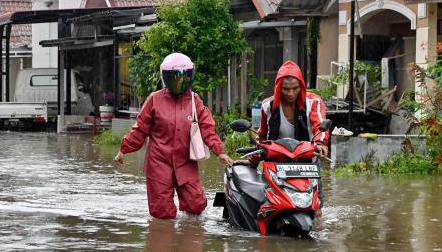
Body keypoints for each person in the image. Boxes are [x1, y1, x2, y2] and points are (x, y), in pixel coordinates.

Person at [114, 52, 233, 219]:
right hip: (158, 163)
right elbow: (140, 129)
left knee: (196, 205)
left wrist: (219, 151)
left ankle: (189, 237)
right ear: (166, 78)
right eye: (174, 78)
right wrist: (123, 150)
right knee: (162, 213)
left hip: (186, 161)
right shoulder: (154, 100)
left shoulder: (194, 100)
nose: (179, 82)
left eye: (183, 78)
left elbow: (207, 127)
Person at [248, 60, 330, 204]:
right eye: (286, 89)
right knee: (271, 203)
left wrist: (320, 143)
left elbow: (320, 125)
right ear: (278, 87)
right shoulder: (268, 105)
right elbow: (262, 136)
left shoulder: (313, 102)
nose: (291, 93)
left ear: (301, 87)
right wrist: (254, 158)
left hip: (307, 163)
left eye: (295, 88)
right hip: (277, 163)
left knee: (315, 208)